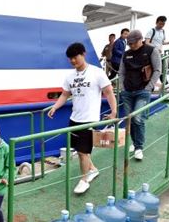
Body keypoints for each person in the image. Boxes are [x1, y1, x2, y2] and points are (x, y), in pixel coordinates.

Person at [47, 43, 117, 194]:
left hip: (89, 119)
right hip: (74, 119)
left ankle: (84, 180)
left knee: (82, 152)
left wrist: (114, 112)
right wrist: (55, 107)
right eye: (70, 58)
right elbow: (65, 95)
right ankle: (92, 169)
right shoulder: (70, 77)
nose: (73, 60)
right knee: (79, 149)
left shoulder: (96, 73)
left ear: (83, 54)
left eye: (75, 57)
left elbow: (109, 92)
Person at [118, 30, 162, 161]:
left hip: (143, 90)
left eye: (133, 43)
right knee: (129, 120)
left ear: (140, 40)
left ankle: (139, 147)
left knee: (138, 118)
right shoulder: (126, 54)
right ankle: (134, 142)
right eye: (129, 43)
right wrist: (122, 87)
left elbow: (157, 70)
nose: (131, 46)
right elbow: (121, 72)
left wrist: (149, 88)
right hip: (127, 91)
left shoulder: (151, 50)